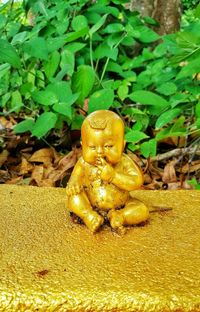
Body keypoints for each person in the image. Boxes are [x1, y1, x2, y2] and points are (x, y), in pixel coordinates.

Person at [66, 110, 149, 232]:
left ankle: (120, 216)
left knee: (142, 210)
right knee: (74, 198)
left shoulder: (124, 162)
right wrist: (73, 184)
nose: (100, 152)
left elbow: (136, 182)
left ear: (122, 145)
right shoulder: (83, 163)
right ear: (83, 145)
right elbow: (74, 178)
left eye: (108, 146)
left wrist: (113, 176)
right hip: (90, 202)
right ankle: (89, 215)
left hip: (121, 204)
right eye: (92, 147)